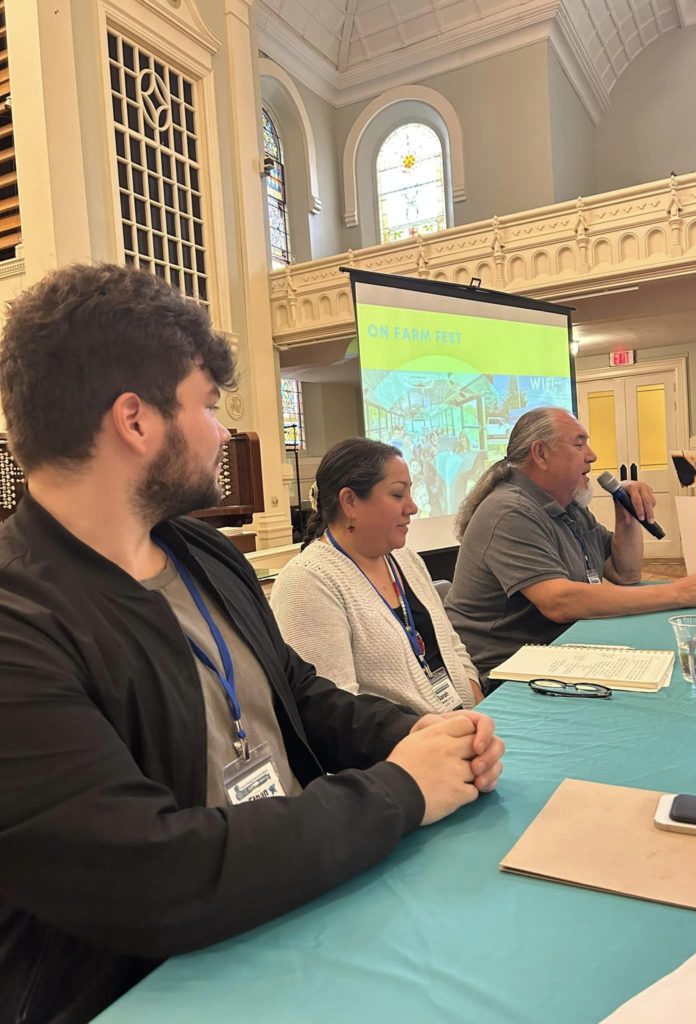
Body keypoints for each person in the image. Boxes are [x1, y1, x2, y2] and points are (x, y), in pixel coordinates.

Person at [0, 263, 504, 1024]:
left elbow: (297, 695)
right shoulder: (16, 621)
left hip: (298, 900)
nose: (225, 430)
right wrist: (401, 790)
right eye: (209, 405)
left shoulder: (204, 555)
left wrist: (423, 734)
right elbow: (154, 875)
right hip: (148, 988)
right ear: (135, 421)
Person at [446, 406, 696, 687]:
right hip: (507, 672)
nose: (592, 455)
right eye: (579, 444)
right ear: (541, 454)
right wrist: (678, 592)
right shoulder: (509, 511)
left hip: (557, 654)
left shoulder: (569, 505)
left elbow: (624, 572)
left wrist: (626, 512)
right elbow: (559, 602)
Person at [270, 438, 483, 713]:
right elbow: (334, 712)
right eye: (397, 495)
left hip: (463, 729)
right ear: (350, 502)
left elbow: (452, 645)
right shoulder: (307, 582)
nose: (413, 507)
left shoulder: (405, 559)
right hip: (403, 749)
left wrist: (478, 704)